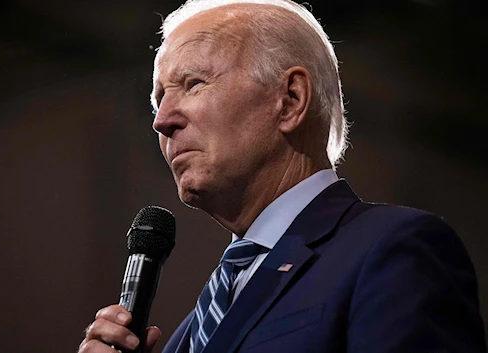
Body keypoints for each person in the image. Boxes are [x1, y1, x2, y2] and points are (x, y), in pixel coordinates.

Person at [78, 0, 486, 352]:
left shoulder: (393, 250)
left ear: (290, 100)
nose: (162, 121)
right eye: (158, 101)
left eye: (194, 84)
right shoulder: (187, 334)